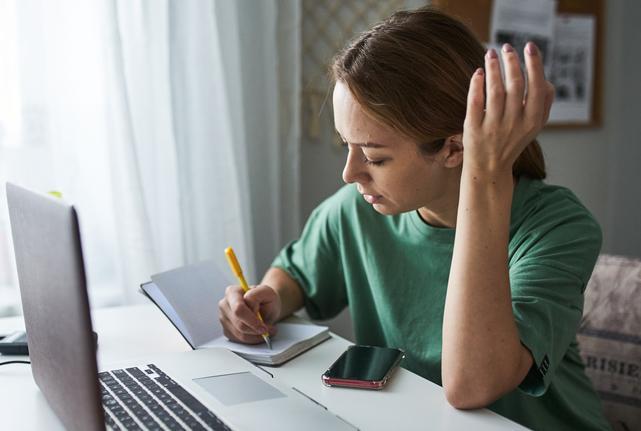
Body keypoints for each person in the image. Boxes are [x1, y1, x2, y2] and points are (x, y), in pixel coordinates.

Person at [218, 7, 611, 431]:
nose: (349, 173)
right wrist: (270, 298)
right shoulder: (358, 208)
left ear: (454, 150)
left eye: (374, 156)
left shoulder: (557, 227)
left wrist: (487, 172)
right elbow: (295, 274)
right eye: (346, 146)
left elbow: (470, 386)